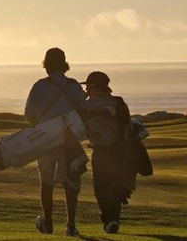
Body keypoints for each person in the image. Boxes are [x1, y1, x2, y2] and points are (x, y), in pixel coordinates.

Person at [24, 48, 87, 237]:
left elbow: (29, 114)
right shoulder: (73, 85)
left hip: (45, 138)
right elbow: (84, 108)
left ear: (46, 65)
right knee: (71, 181)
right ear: (64, 63)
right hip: (69, 138)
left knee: (46, 182)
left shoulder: (39, 86)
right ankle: (71, 225)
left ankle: (48, 223)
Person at [81, 71, 132, 234]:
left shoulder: (91, 105)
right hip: (121, 150)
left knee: (101, 188)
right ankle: (112, 220)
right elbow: (127, 126)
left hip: (103, 151)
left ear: (96, 87)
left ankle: (109, 220)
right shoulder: (119, 102)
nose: (86, 90)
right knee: (115, 186)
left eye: (88, 86)